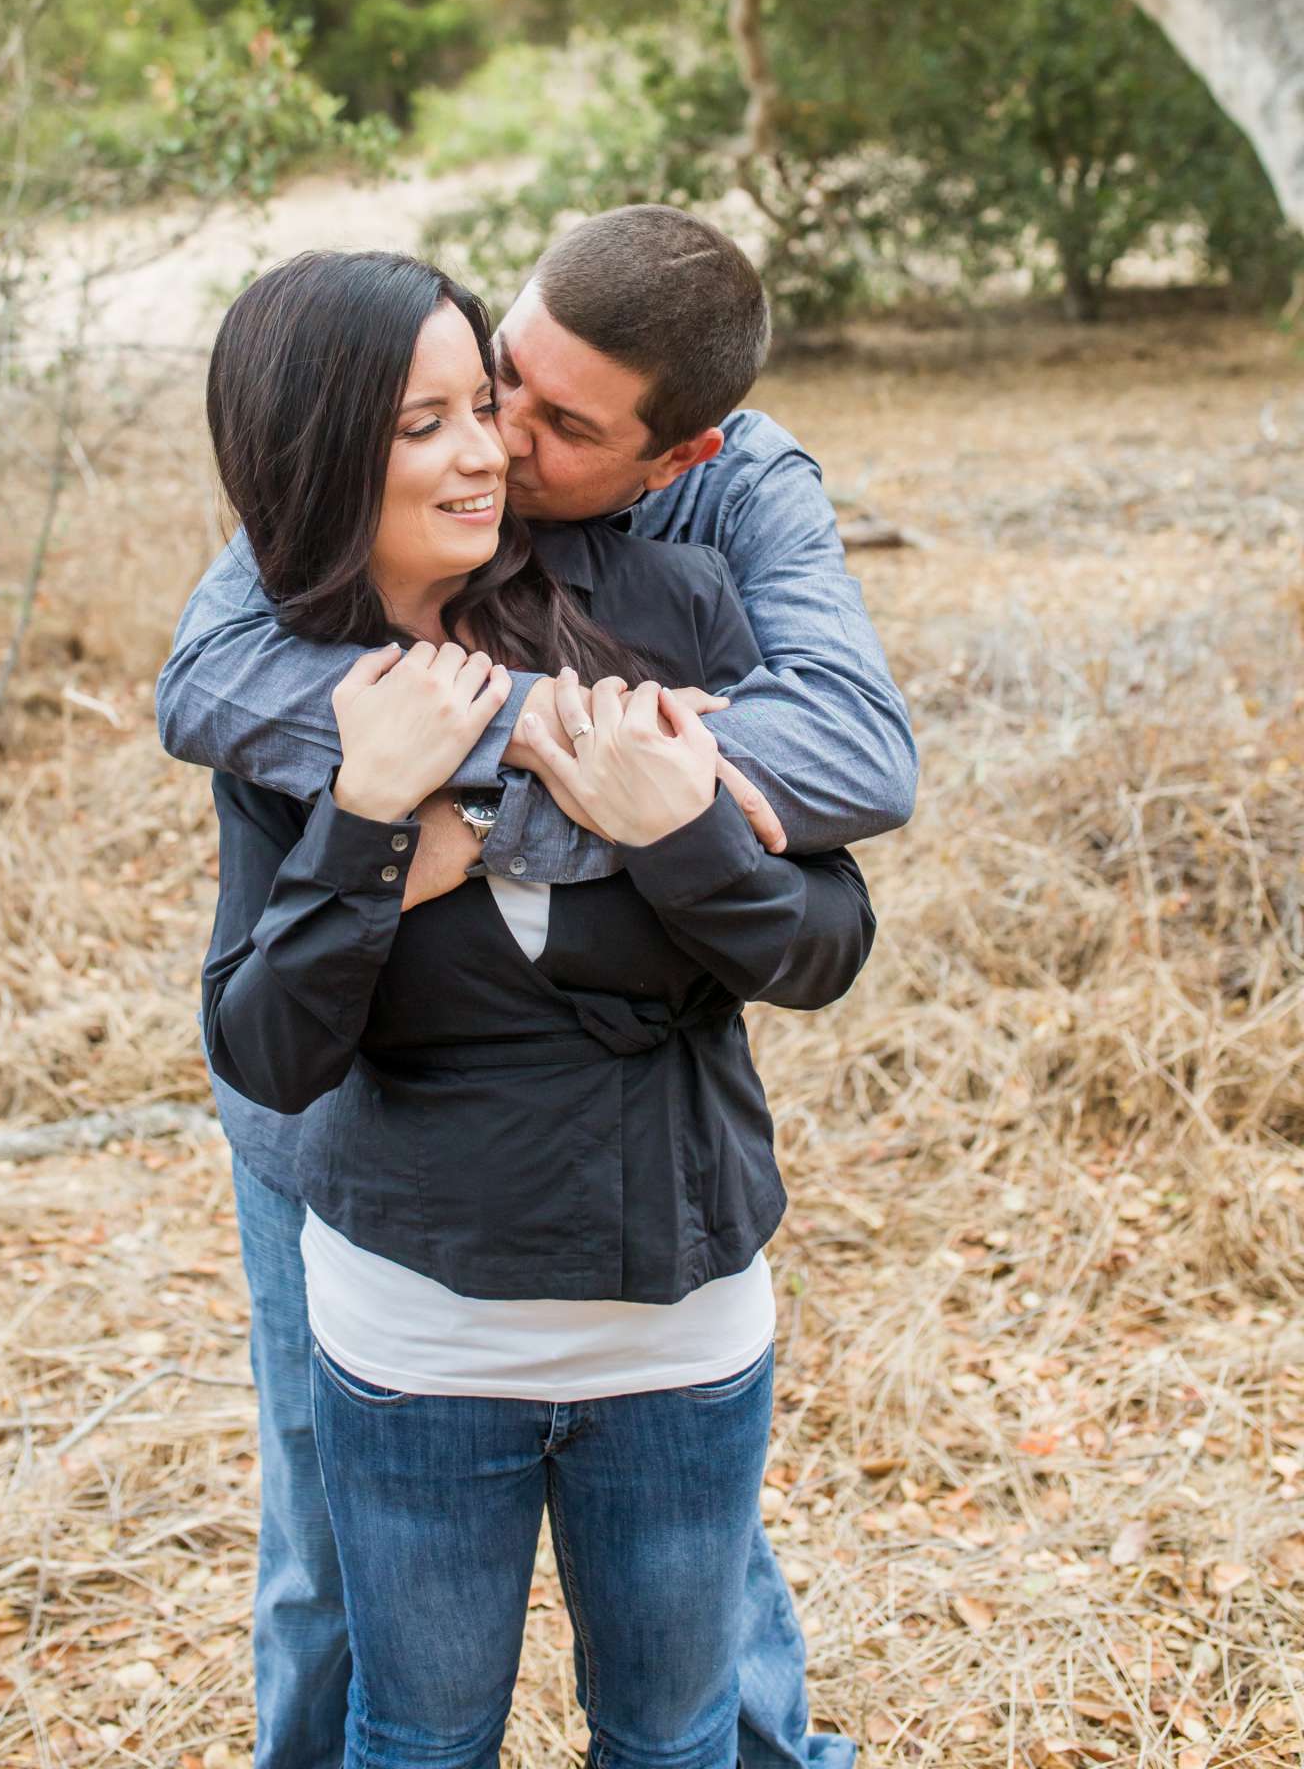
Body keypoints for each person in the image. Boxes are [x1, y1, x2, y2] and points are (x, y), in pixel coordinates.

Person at [158, 206, 917, 1769]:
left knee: (686, 1626)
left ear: (675, 455)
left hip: (658, 1238)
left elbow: (857, 767)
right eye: (480, 385)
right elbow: (203, 697)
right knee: (332, 1544)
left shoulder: (717, 532)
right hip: (368, 1199)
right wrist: (397, 808)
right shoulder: (306, 611)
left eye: (549, 422)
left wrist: (647, 785)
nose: (495, 438)